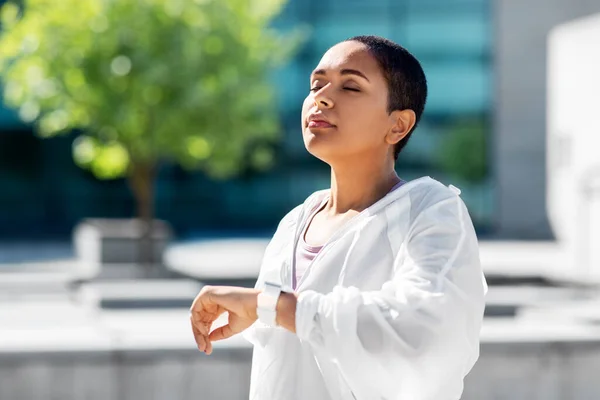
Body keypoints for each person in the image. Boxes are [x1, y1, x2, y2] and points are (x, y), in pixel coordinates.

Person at [190, 35, 487, 400]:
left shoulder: (430, 210)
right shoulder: (295, 221)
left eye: (350, 86)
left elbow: (423, 331)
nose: (321, 97)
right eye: (316, 84)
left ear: (398, 125)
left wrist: (269, 305)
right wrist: (268, 311)